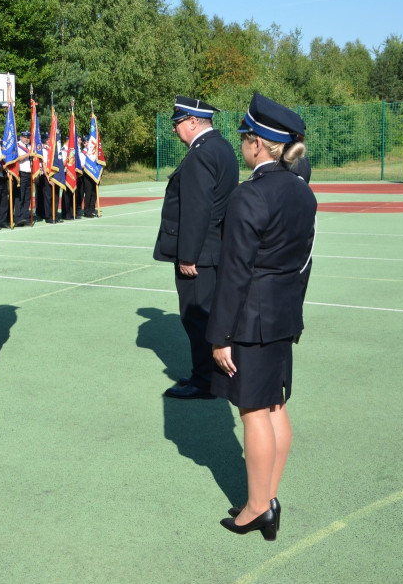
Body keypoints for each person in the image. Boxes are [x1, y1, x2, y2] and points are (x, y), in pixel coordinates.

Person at [208, 92, 317, 540]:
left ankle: (257, 508)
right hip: (282, 315)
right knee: (275, 406)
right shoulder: (302, 191)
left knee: (253, 412)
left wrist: (219, 335)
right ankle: (268, 496)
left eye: (245, 138)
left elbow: (234, 274)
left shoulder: (248, 196)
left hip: (250, 319)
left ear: (258, 144)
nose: (242, 145)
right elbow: (305, 262)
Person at [154, 96, 239, 400]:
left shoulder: (201, 154)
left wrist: (188, 255)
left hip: (200, 255)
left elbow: (196, 209)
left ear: (192, 122)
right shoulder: (222, 147)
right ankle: (212, 376)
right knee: (210, 315)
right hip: (214, 248)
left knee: (197, 316)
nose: (175, 130)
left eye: (178, 123)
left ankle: (206, 382)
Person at [14, 130, 33, 225]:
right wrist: (28, 154)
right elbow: (18, 158)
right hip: (21, 173)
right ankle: (18, 217)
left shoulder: (31, 147)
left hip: (30, 173)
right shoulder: (17, 146)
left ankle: (25, 216)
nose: (26, 139)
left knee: (27, 197)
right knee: (20, 196)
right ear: (21, 137)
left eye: (28, 137)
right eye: (25, 137)